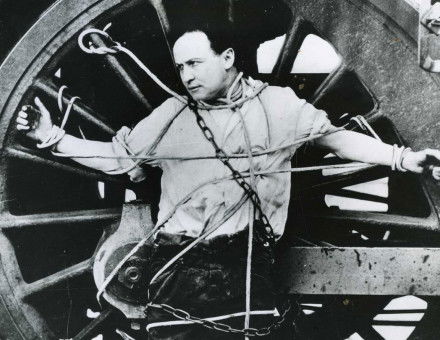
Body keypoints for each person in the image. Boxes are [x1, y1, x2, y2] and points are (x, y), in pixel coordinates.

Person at [16, 25, 440, 339]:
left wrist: (401, 158)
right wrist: (52, 137)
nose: (186, 75)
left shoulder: (280, 107)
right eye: (181, 66)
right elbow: (118, 157)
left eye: (195, 63)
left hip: (249, 269)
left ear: (228, 58)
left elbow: (338, 140)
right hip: (179, 270)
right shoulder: (173, 115)